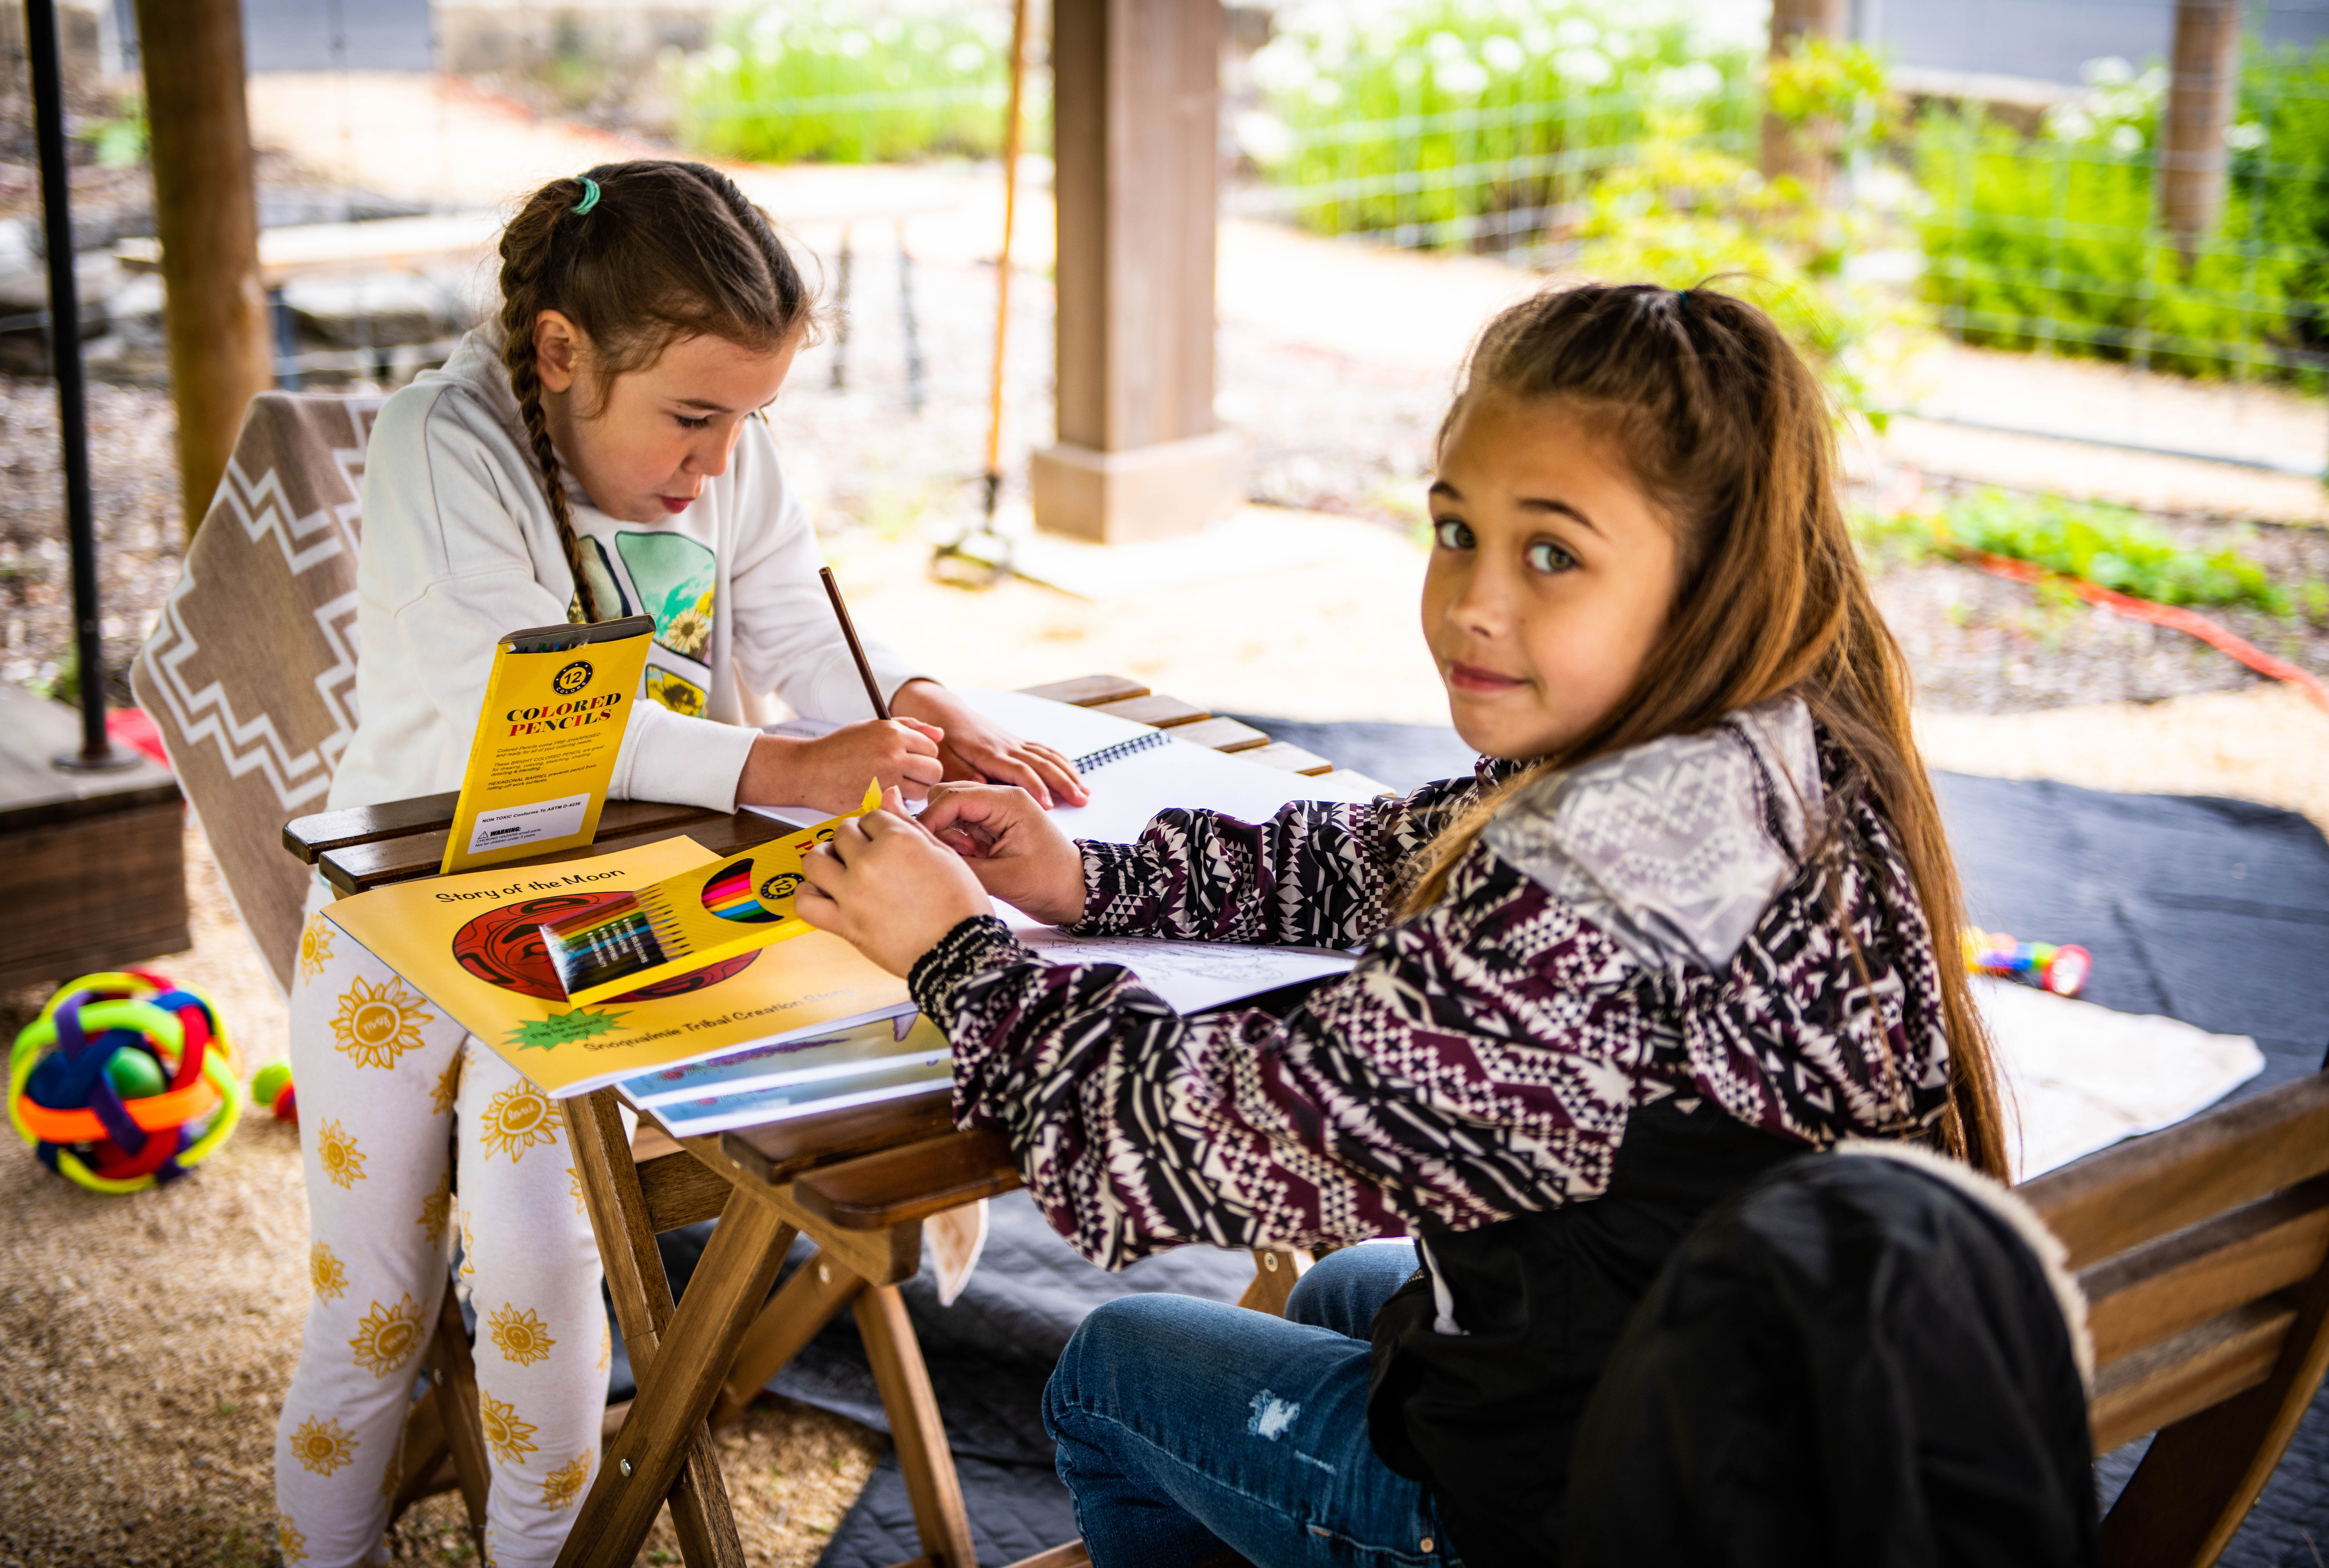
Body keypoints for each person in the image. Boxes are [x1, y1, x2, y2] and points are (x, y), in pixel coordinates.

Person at [792, 282, 2010, 1567]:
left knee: (1116, 1366)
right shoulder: (1774, 742)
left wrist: (951, 949)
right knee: (1340, 1290)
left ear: (1706, 574)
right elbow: (1395, 855)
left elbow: (1152, 1139)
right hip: (1762, 1418)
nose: (1473, 601)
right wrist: (1089, 875)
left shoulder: (1599, 892)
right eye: (1453, 529)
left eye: (1553, 553)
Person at [273, 160, 1082, 1568]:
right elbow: (509, 701)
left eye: (747, 421)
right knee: (377, 1312)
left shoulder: (728, 450)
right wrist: (780, 766)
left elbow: (799, 634)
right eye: (695, 420)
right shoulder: (439, 436)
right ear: (562, 350)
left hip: (603, 934)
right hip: (396, 926)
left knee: (545, 1306)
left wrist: (912, 701)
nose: (717, 465)